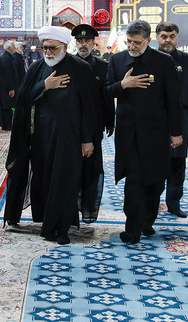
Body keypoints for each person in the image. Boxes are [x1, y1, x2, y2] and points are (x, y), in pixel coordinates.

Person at [4, 26, 97, 244]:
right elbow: (24, 97)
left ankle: (61, 228)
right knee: (44, 179)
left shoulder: (80, 68)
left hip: (70, 138)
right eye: (45, 48)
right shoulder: (37, 68)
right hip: (42, 137)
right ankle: (47, 221)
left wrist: (87, 139)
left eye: (53, 48)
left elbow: (89, 108)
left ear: (65, 47)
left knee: (65, 181)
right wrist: (44, 86)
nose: (48, 52)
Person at [105, 19, 183, 244]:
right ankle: (132, 229)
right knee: (134, 181)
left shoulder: (163, 62)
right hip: (128, 134)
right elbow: (106, 91)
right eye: (128, 42)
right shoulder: (117, 60)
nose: (132, 46)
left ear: (148, 41)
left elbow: (173, 100)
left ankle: (146, 220)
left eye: (137, 42)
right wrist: (123, 85)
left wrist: (176, 132)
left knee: (155, 181)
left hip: (156, 133)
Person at [155, 21, 188, 218]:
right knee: (155, 161)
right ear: (156, 37)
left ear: (177, 37)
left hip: (180, 119)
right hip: (155, 119)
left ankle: (174, 203)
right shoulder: (148, 59)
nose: (168, 40)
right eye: (164, 36)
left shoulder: (187, 60)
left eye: (171, 36)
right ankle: (152, 201)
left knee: (177, 163)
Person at [72, 24, 114, 225]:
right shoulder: (68, 64)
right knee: (71, 168)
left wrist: (110, 120)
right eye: (79, 41)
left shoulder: (103, 66)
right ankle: (71, 208)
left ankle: (88, 207)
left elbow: (107, 96)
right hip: (70, 126)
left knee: (91, 167)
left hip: (94, 126)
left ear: (92, 42)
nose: (83, 44)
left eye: (86, 40)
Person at [0, 40, 18, 130]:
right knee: (7, 106)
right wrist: (11, 88)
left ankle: (8, 124)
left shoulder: (9, 57)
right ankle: (6, 125)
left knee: (9, 106)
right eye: (13, 46)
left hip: (8, 87)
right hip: (6, 88)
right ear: (9, 48)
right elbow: (8, 74)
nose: (15, 48)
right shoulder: (6, 58)